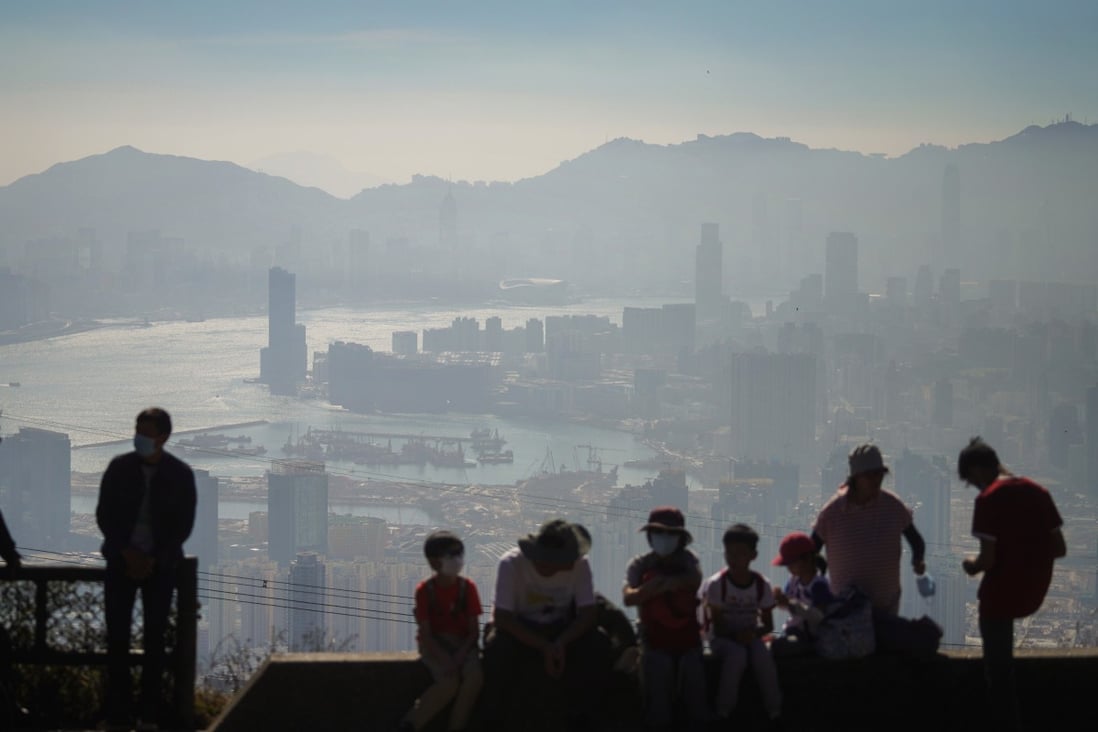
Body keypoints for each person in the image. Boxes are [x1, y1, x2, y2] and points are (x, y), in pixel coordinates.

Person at [96, 408, 196, 731]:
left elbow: (183, 525)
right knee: (117, 640)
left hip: (161, 567)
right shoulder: (119, 468)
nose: (138, 438)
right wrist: (127, 552)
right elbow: (104, 516)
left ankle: (149, 715)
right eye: (137, 431)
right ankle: (118, 713)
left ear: (163, 437)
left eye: (145, 433)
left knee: (155, 642)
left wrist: (153, 558)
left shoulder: (180, 475)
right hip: (120, 563)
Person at [958, 437, 1066, 732]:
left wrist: (971, 565)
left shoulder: (988, 499)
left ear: (977, 471)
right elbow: (1060, 548)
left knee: (999, 674)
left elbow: (988, 560)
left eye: (970, 480)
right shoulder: (1039, 491)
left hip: (999, 599)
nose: (974, 487)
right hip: (1034, 592)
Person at [481, 518, 610, 732]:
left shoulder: (579, 565)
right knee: (497, 649)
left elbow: (588, 613)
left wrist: (560, 643)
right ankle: (492, 718)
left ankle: (585, 716)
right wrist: (544, 646)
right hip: (520, 629)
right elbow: (503, 617)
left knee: (598, 644)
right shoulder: (512, 564)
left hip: (562, 628)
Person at [811, 443, 926, 616]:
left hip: (886, 609)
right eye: (869, 476)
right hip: (845, 612)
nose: (876, 480)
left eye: (879, 475)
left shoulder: (892, 507)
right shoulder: (833, 513)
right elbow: (811, 550)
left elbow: (916, 540)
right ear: (856, 477)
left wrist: (918, 561)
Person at [622, 506, 707, 732]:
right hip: (654, 641)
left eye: (671, 533)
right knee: (657, 696)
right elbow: (628, 597)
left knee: (695, 695)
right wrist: (653, 587)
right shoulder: (640, 565)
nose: (664, 539)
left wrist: (661, 584)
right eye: (659, 533)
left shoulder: (689, 561)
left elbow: (694, 581)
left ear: (680, 538)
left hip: (688, 640)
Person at [698, 523, 782, 727]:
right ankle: (723, 712)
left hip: (750, 636)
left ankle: (775, 711)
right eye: (730, 553)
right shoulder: (718, 584)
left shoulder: (762, 585)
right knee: (737, 656)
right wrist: (739, 637)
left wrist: (752, 634)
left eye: (740, 553)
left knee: (763, 657)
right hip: (722, 639)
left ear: (753, 555)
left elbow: (768, 625)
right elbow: (717, 627)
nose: (734, 559)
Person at [398, 530, 482, 732]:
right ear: (434, 562)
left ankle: (457, 726)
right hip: (434, 646)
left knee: (475, 678)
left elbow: (473, 631)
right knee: (449, 683)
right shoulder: (425, 591)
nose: (457, 561)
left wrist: (460, 655)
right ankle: (410, 723)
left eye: (459, 555)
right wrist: (445, 658)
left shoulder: (467, 588)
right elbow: (426, 634)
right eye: (450, 556)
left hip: (463, 645)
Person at [770, 531, 833, 658]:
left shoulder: (819, 585)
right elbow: (787, 605)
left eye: (791, 563)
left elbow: (820, 617)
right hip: (793, 631)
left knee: (779, 647)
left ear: (808, 559)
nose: (789, 568)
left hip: (811, 637)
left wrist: (792, 604)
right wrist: (779, 600)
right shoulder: (794, 581)